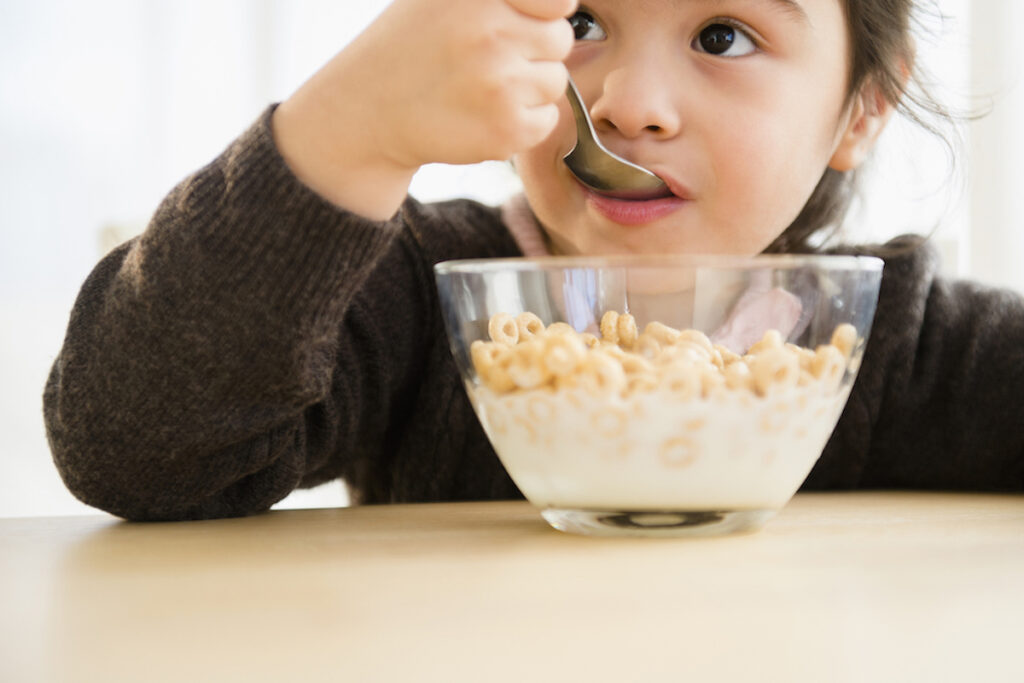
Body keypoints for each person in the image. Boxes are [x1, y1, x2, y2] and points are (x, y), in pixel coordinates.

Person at [43, 0, 1023, 521]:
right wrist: (346, 130)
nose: (633, 100)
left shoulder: (884, 339)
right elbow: (137, 451)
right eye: (583, 24)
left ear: (862, 107)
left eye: (723, 35)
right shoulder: (413, 294)